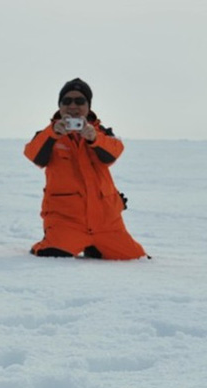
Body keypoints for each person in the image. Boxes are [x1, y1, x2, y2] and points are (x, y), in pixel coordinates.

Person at [23, 78, 146, 260]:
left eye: (80, 101)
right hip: (66, 222)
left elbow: (114, 153)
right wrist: (52, 134)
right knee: (51, 255)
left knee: (136, 259)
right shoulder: (47, 134)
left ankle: (95, 246)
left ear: (88, 106)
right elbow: (34, 155)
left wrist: (94, 138)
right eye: (67, 101)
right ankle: (64, 242)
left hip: (107, 223)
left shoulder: (101, 132)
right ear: (60, 106)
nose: (73, 105)